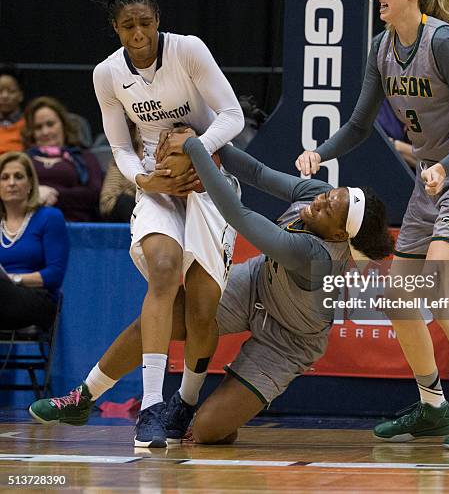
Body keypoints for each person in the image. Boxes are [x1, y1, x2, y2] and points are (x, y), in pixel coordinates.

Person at [295, 0, 449, 450]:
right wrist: (320, 152)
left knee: (438, 290)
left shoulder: (444, 44)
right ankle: (433, 407)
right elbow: (359, 125)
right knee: (400, 299)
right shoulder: (381, 48)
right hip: (432, 177)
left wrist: (445, 164)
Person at [29, 133, 394, 445]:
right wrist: (211, 140)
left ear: (337, 235)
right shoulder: (319, 193)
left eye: (331, 207)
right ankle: (84, 396)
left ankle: (214, 413)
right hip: (257, 284)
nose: (322, 200)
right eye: (331, 194)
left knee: (206, 432)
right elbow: (256, 173)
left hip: (290, 340)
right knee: (161, 319)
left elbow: (239, 215)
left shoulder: (317, 255)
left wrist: (194, 149)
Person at [91, 0, 244, 447]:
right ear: (115, 29)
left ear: (157, 20)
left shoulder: (188, 50)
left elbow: (232, 116)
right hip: (157, 184)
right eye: (127, 25)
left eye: (145, 22)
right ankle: (152, 405)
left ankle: (187, 399)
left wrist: (193, 153)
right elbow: (120, 146)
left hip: (207, 181)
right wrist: (145, 181)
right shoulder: (107, 74)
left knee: (201, 310)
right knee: (162, 271)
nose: (138, 33)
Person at [0, 152, 69, 331]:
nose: (11, 183)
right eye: (5, 177)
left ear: (30, 183)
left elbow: (54, 275)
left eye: (19, 176)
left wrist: (13, 280)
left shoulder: (49, 217)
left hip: (38, 300)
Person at [22, 96, 104, 222]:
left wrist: (55, 193)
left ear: (63, 125)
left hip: (77, 227)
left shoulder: (84, 157)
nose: (45, 131)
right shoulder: (22, 160)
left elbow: (94, 193)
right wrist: (35, 196)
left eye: (50, 124)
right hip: (29, 226)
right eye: (38, 127)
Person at [99, 120, 141, 222]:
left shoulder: (174, 158)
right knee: (124, 201)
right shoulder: (121, 160)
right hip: (131, 215)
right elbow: (107, 202)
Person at [0, 64, 25, 155]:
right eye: (0, 91)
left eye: (11, 91)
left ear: (20, 96)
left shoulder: (30, 125)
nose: (4, 96)